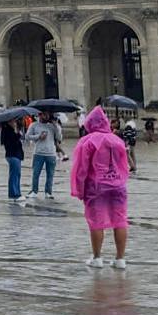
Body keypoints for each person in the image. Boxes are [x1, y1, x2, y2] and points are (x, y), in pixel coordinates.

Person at [69, 107, 130, 269]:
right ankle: (120, 259)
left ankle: (97, 258)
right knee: (120, 220)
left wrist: (80, 189)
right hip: (118, 185)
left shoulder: (88, 141)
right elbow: (125, 165)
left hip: (96, 186)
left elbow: (81, 169)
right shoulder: (117, 140)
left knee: (96, 222)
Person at [26, 114, 64, 199]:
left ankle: (48, 192)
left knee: (50, 174)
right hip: (38, 153)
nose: (46, 116)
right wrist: (38, 136)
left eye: (47, 114)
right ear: (39, 115)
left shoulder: (52, 126)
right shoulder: (34, 125)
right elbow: (27, 136)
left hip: (51, 154)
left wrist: (56, 126)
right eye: (44, 114)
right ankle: (34, 191)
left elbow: (59, 138)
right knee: (36, 173)